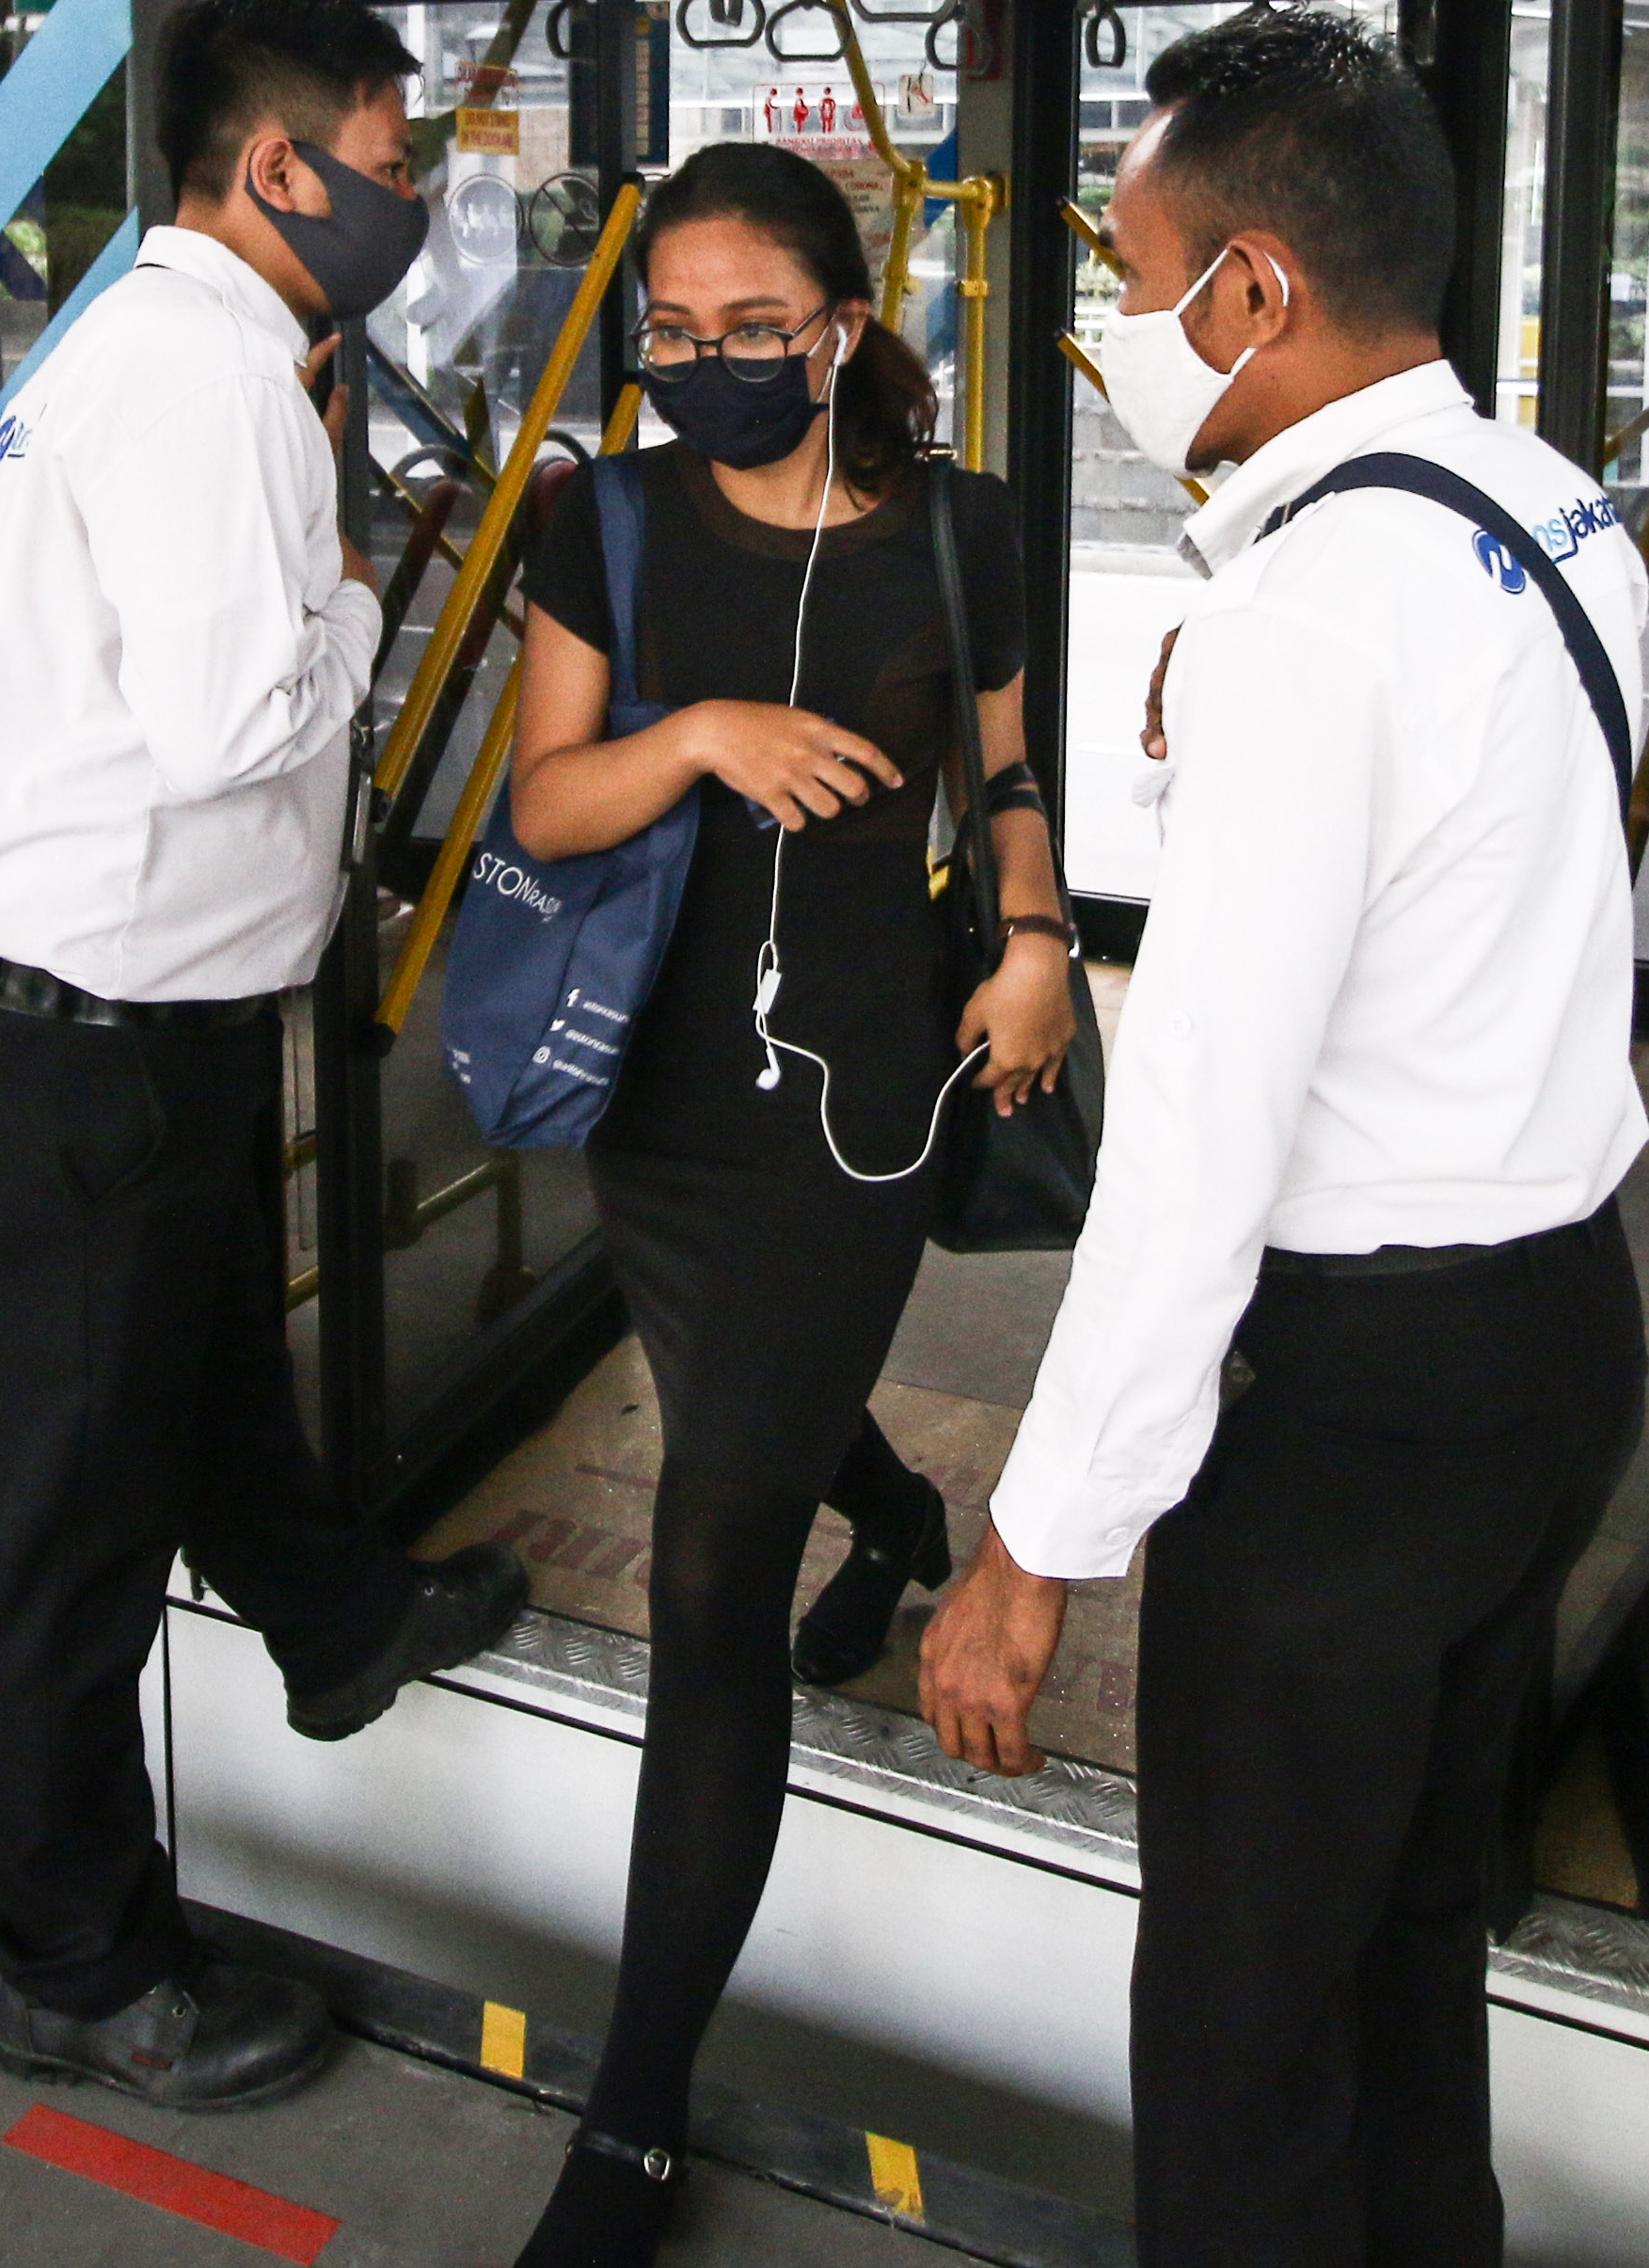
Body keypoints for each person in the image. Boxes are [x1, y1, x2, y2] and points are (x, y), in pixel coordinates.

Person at [918, 9, 1649, 2268]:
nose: (1114, 331)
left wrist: (1035, 1541)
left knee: (1244, 2033)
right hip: (1557, 1343)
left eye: (1135, 279)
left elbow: (1198, 1140)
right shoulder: (1548, 508)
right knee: (1407, 1942)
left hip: (1363, 1413)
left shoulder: (1306, 618)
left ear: (1251, 288)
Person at [0, 0, 530, 2113]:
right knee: (69, 1527)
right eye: (392, 157)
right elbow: (234, 716)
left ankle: (335, 1620)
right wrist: (348, 589)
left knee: (216, 1354)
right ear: (279, 166)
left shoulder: (209, 348)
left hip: (132, 1025)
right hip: (68, 1040)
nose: (412, 195)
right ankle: (72, 1960)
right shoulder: (203, 373)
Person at [491, 141, 1074, 2268]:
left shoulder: (960, 529)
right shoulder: (603, 519)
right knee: (741, 1410)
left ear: (839, 326)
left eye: (752, 326)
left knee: (707, 1552)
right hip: (652, 1098)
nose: (706, 361)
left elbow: (1006, 774)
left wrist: (1037, 936)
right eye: (671, 329)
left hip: (855, 1108)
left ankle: (633, 2112)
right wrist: (704, 734)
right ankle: (899, 1517)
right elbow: (547, 798)